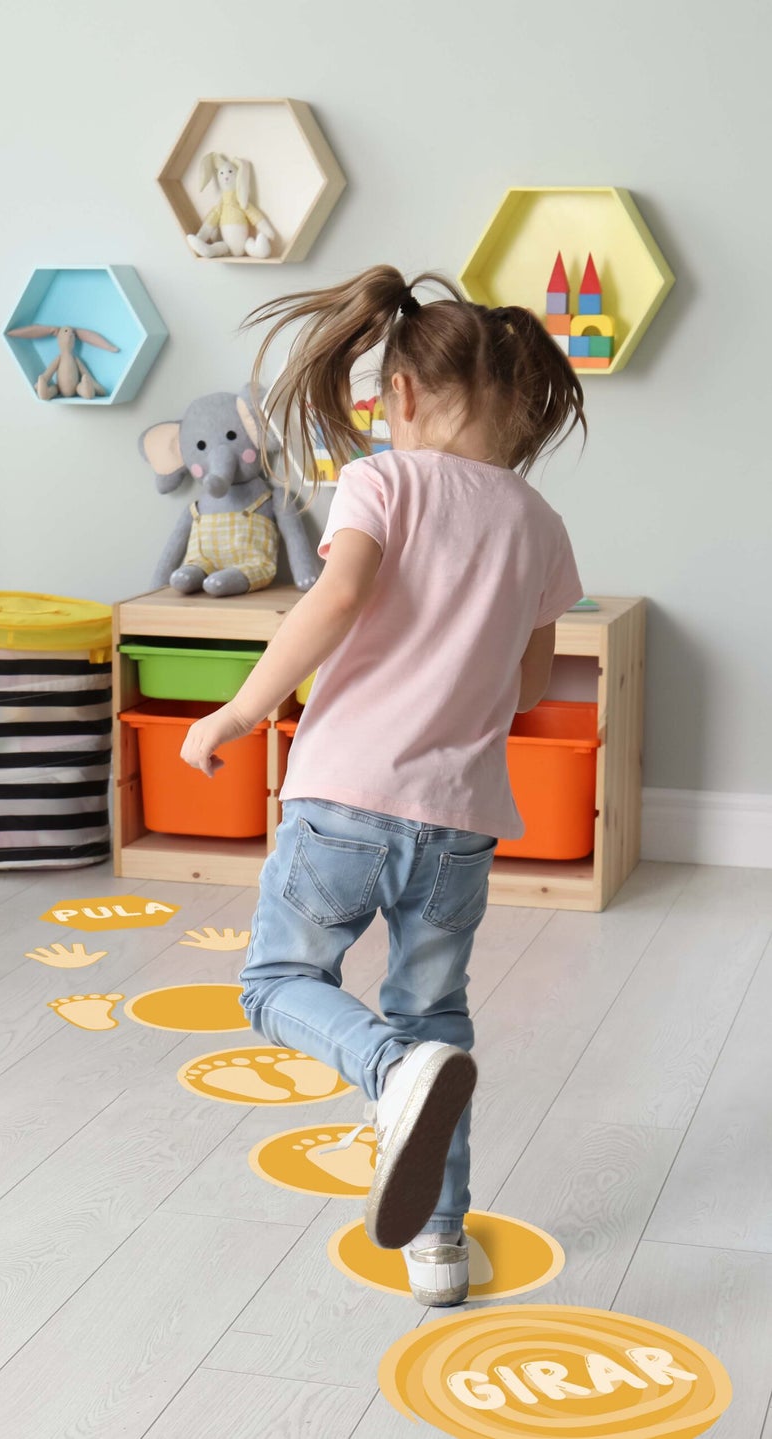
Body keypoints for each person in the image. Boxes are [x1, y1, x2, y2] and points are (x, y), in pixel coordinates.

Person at [180, 265, 586, 1306]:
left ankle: (383, 1074)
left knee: (275, 983)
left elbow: (338, 595)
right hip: (457, 824)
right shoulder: (538, 525)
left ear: (397, 393)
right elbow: (533, 678)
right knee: (432, 1014)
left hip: (342, 799)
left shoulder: (379, 481)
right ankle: (439, 1247)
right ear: (524, 403)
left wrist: (240, 706)